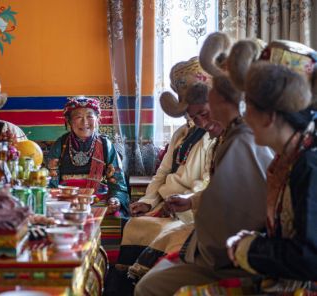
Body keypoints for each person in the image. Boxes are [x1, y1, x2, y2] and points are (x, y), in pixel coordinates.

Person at [134, 32, 274, 296]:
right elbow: (222, 193)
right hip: (218, 246)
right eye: (193, 116)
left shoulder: (242, 138)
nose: (201, 122)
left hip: (235, 258)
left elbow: (241, 209)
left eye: (205, 111)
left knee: (150, 286)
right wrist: (162, 202)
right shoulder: (224, 136)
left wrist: (192, 209)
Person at [104, 58, 222, 296]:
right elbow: (162, 173)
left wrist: (185, 201)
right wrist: (148, 201)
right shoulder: (182, 133)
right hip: (166, 204)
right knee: (134, 225)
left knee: (163, 236)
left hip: (188, 212)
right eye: (192, 113)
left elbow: (209, 182)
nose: (197, 119)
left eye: (201, 112)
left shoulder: (216, 135)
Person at [224, 40, 317, 292]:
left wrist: (249, 249)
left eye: (249, 106)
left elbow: (309, 257)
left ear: (270, 116)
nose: (245, 116)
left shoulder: (308, 163)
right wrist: (255, 242)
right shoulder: (290, 158)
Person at [47, 96, 130, 217]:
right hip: (68, 201)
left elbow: (117, 182)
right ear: (69, 121)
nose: (85, 122)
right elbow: (51, 184)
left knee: (117, 215)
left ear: (97, 119)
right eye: (78, 117)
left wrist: (115, 199)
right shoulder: (61, 144)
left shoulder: (105, 145)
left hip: (99, 198)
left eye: (90, 116)